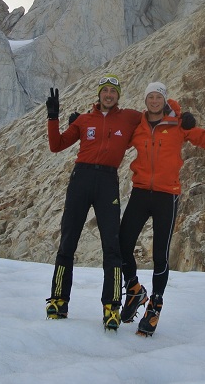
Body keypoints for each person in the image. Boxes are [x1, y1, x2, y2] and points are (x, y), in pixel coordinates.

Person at [119, 82, 205, 336]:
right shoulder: (137, 125)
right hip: (140, 192)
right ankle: (134, 290)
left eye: (158, 97)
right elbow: (113, 140)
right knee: (121, 245)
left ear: (164, 100)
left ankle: (155, 306)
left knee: (160, 254)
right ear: (145, 100)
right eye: (149, 96)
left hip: (166, 196)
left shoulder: (178, 125)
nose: (153, 101)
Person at [44, 74, 141, 330]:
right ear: (98, 94)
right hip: (81, 178)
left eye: (113, 91)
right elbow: (57, 145)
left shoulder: (130, 117)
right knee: (68, 241)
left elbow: (155, 118)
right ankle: (58, 300)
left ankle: (112, 307)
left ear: (118, 95)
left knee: (112, 245)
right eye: (105, 90)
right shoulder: (84, 120)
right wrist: (53, 118)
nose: (109, 94)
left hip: (107, 181)